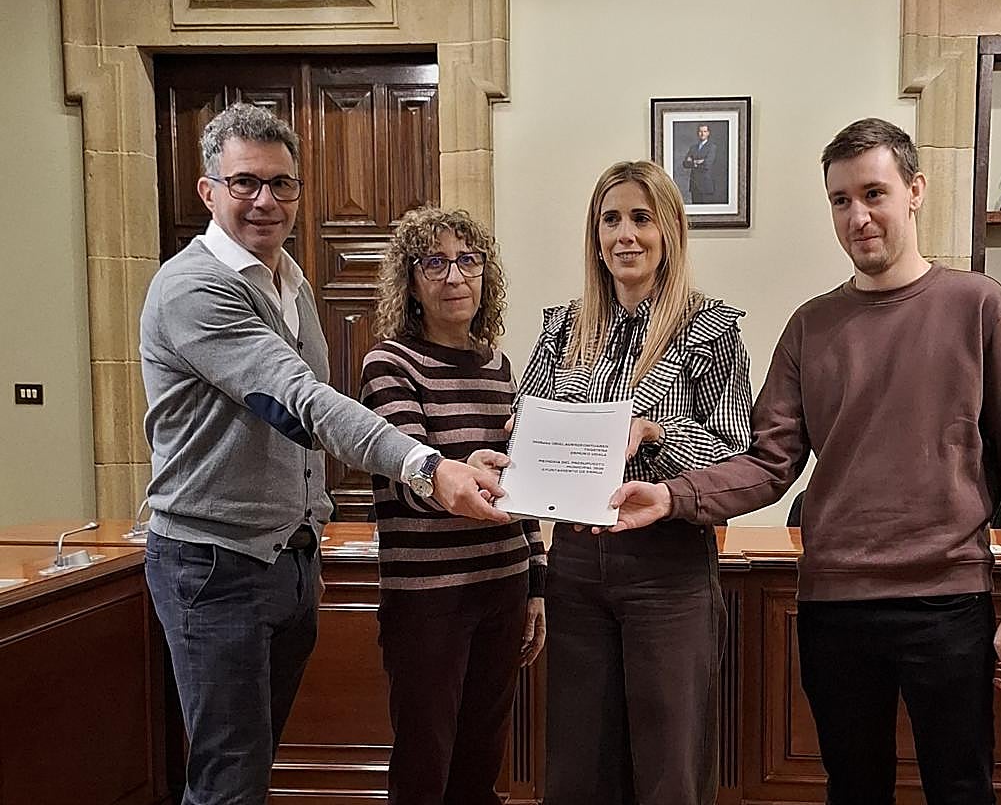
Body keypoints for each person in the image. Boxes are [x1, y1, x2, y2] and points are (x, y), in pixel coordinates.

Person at [611, 118, 1001, 805]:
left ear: (914, 191)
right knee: (853, 790)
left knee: (962, 788)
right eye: (840, 200)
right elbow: (769, 462)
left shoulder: (979, 307)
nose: (859, 216)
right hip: (835, 606)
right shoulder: (810, 327)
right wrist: (673, 496)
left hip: (948, 602)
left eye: (874, 193)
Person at [139, 103, 508, 805]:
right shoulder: (193, 287)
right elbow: (299, 400)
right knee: (229, 780)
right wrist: (429, 466)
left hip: (286, 561)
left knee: (253, 764)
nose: (264, 201)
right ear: (207, 190)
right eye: (244, 182)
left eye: (282, 184)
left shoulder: (290, 279)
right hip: (213, 562)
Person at [517, 160, 752, 805]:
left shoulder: (714, 326)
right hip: (576, 564)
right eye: (610, 219)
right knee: (578, 766)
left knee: (668, 766)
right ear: (594, 235)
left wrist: (652, 429)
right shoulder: (563, 328)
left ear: (670, 229)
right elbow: (532, 437)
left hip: (667, 567)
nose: (626, 234)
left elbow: (729, 456)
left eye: (641, 218)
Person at [358, 206, 547, 805]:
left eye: (468, 260)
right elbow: (413, 481)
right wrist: (465, 477)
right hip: (428, 597)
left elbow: (527, 487)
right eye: (434, 262)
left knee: (481, 758)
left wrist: (536, 585)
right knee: (424, 758)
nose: (454, 276)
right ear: (410, 281)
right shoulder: (389, 363)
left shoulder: (499, 366)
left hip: (502, 586)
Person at [681, 123, 718, 203]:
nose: (702, 134)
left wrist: (692, 161)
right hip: (694, 185)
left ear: (708, 133)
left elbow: (707, 165)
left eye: (704, 131)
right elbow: (685, 163)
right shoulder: (693, 148)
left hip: (705, 185)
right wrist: (697, 162)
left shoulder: (712, 147)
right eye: (700, 131)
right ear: (698, 133)